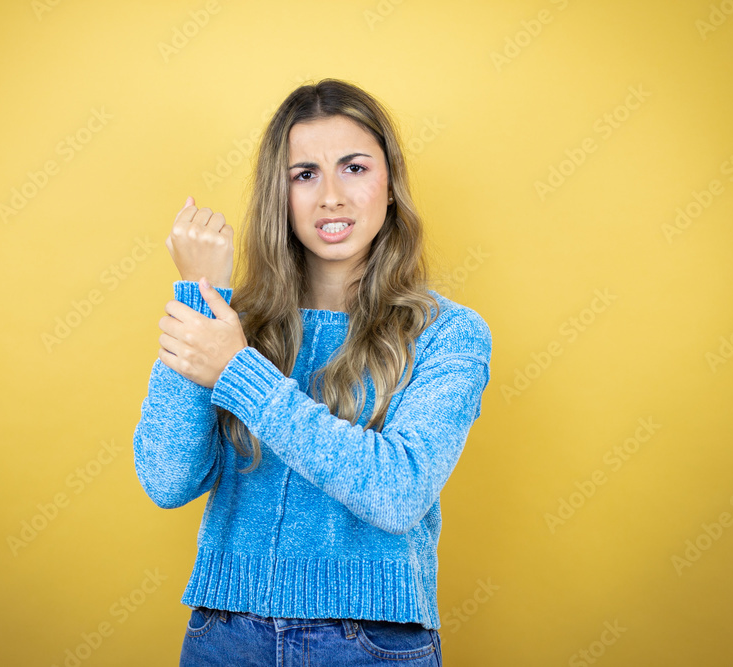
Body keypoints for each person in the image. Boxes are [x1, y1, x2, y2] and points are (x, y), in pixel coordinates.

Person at [133, 78, 492, 666]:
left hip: (371, 643)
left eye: (354, 168)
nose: (331, 197)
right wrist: (203, 298)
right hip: (226, 638)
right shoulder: (233, 324)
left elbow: (398, 492)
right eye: (305, 174)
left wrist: (237, 369)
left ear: (391, 184)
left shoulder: (448, 333)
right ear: (281, 195)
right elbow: (167, 479)